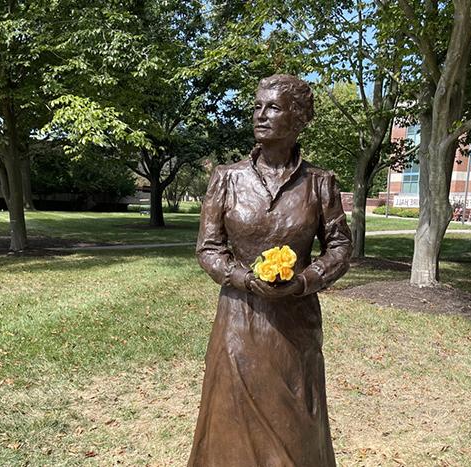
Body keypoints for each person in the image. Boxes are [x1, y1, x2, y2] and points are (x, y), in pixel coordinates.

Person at [188, 74, 352, 467]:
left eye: (273, 107)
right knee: (232, 421)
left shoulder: (320, 184)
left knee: (296, 425)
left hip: (295, 323)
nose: (260, 115)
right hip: (238, 321)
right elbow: (209, 248)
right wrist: (245, 278)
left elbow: (341, 247)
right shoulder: (227, 178)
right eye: (258, 106)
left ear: (297, 119)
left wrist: (304, 281)